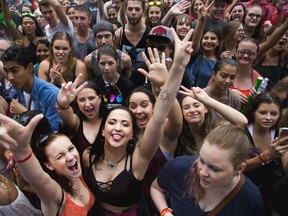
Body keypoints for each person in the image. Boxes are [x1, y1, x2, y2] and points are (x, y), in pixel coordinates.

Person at [83, 28, 194, 215]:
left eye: (125, 124)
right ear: (102, 129)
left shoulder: (138, 158)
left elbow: (159, 117)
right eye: (112, 123)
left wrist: (176, 68)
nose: (118, 128)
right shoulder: (89, 155)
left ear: (131, 134)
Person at [151, 124, 264, 216]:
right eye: (202, 160)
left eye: (214, 169)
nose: (202, 172)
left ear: (239, 169)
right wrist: (165, 211)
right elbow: (156, 188)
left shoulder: (250, 199)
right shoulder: (179, 167)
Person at [0, 113, 95, 215]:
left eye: (71, 149)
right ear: (49, 165)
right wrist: (22, 150)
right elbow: (39, 180)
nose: (70, 157)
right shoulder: (54, 194)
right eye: (60, 156)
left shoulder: (78, 172)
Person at [244, 92, 288, 215]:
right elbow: (235, 167)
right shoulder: (242, 132)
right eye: (263, 112)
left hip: (270, 195)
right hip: (245, 191)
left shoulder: (280, 134)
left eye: (274, 114)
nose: (268, 118)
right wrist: (267, 155)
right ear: (253, 112)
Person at [175, 86, 247, 156]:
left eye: (196, 106)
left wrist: (207, 100)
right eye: (186, 108)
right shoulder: (177, 131)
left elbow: (242, 122)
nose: (192, 110)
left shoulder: (216, 129)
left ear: (205, 109)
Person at [1, 45, 60, 130]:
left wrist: (25, 114)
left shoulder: (51, 95)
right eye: (7, 71)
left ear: (30, 68)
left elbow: (54, 134)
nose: (10, 77)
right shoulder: (15, 91)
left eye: (14, 71)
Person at [56, 74, 104, 157]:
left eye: (91, 98)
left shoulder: (111, 118)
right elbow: (68, 119)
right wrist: (63, 105)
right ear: (76, 102)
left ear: (99, 98)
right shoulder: (76, 121)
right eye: (82, 100)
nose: (87, 104)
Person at [1, 0, 46, 64]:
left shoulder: (43, 39)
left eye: (31, 23)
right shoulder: (21, 38)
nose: (28, 25)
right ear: (22, 26)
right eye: (25, 23)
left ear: (36, 26)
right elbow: (8, 21)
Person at [93, 44, 134, 110]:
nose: (106, 68)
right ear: (98, 63)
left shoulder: (128, 86)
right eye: (102, 64)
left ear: (117, 62)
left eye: (110, 63)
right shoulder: (94, 85)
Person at [114, 0, 151, 74]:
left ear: (143, 11)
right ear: (125, 10)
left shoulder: (150, 34)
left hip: (144, 81)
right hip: (124, 81)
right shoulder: (118, 34)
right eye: (130, 9)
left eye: (137, 9)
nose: (133, 13)